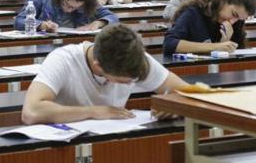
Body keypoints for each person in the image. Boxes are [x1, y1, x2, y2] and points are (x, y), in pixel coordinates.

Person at [21, 24, 186, 124]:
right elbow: (31, 112)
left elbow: (187, 93)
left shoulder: (137, 58)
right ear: (98, 65)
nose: (131, 85)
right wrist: (93, 112)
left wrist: (175, 107)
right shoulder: (63, 59)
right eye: (122, 82)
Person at [163, 0, 256, 57]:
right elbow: (169, 44)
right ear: (223, 0)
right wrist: (216, 47)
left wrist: (225, 43)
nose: (233, 21)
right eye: (234, 14)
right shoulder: (194, 12)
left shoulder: (236, 21)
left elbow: (239, 53)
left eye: (239, 19)